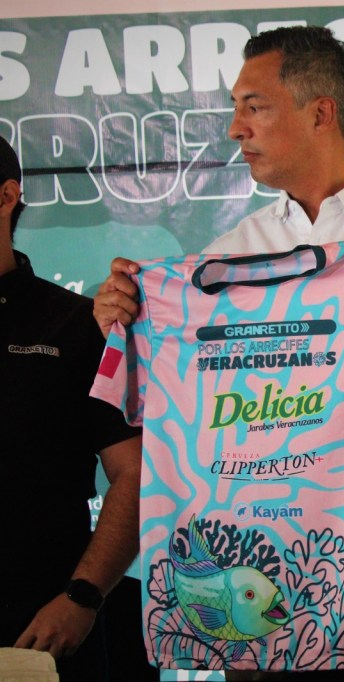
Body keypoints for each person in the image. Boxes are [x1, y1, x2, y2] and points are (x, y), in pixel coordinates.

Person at [92, 26, 344, 671]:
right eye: (236, 108)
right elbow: (175, 415)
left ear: (321, 113)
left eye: (253, 106)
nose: (235, 128)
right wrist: (127, 328)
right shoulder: (220, 263)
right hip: (259, 564)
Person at [0, 136, 142, 681]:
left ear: (6, 196)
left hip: (42, 628)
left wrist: (83, 596)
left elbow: (134, 472)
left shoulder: (79, 325)